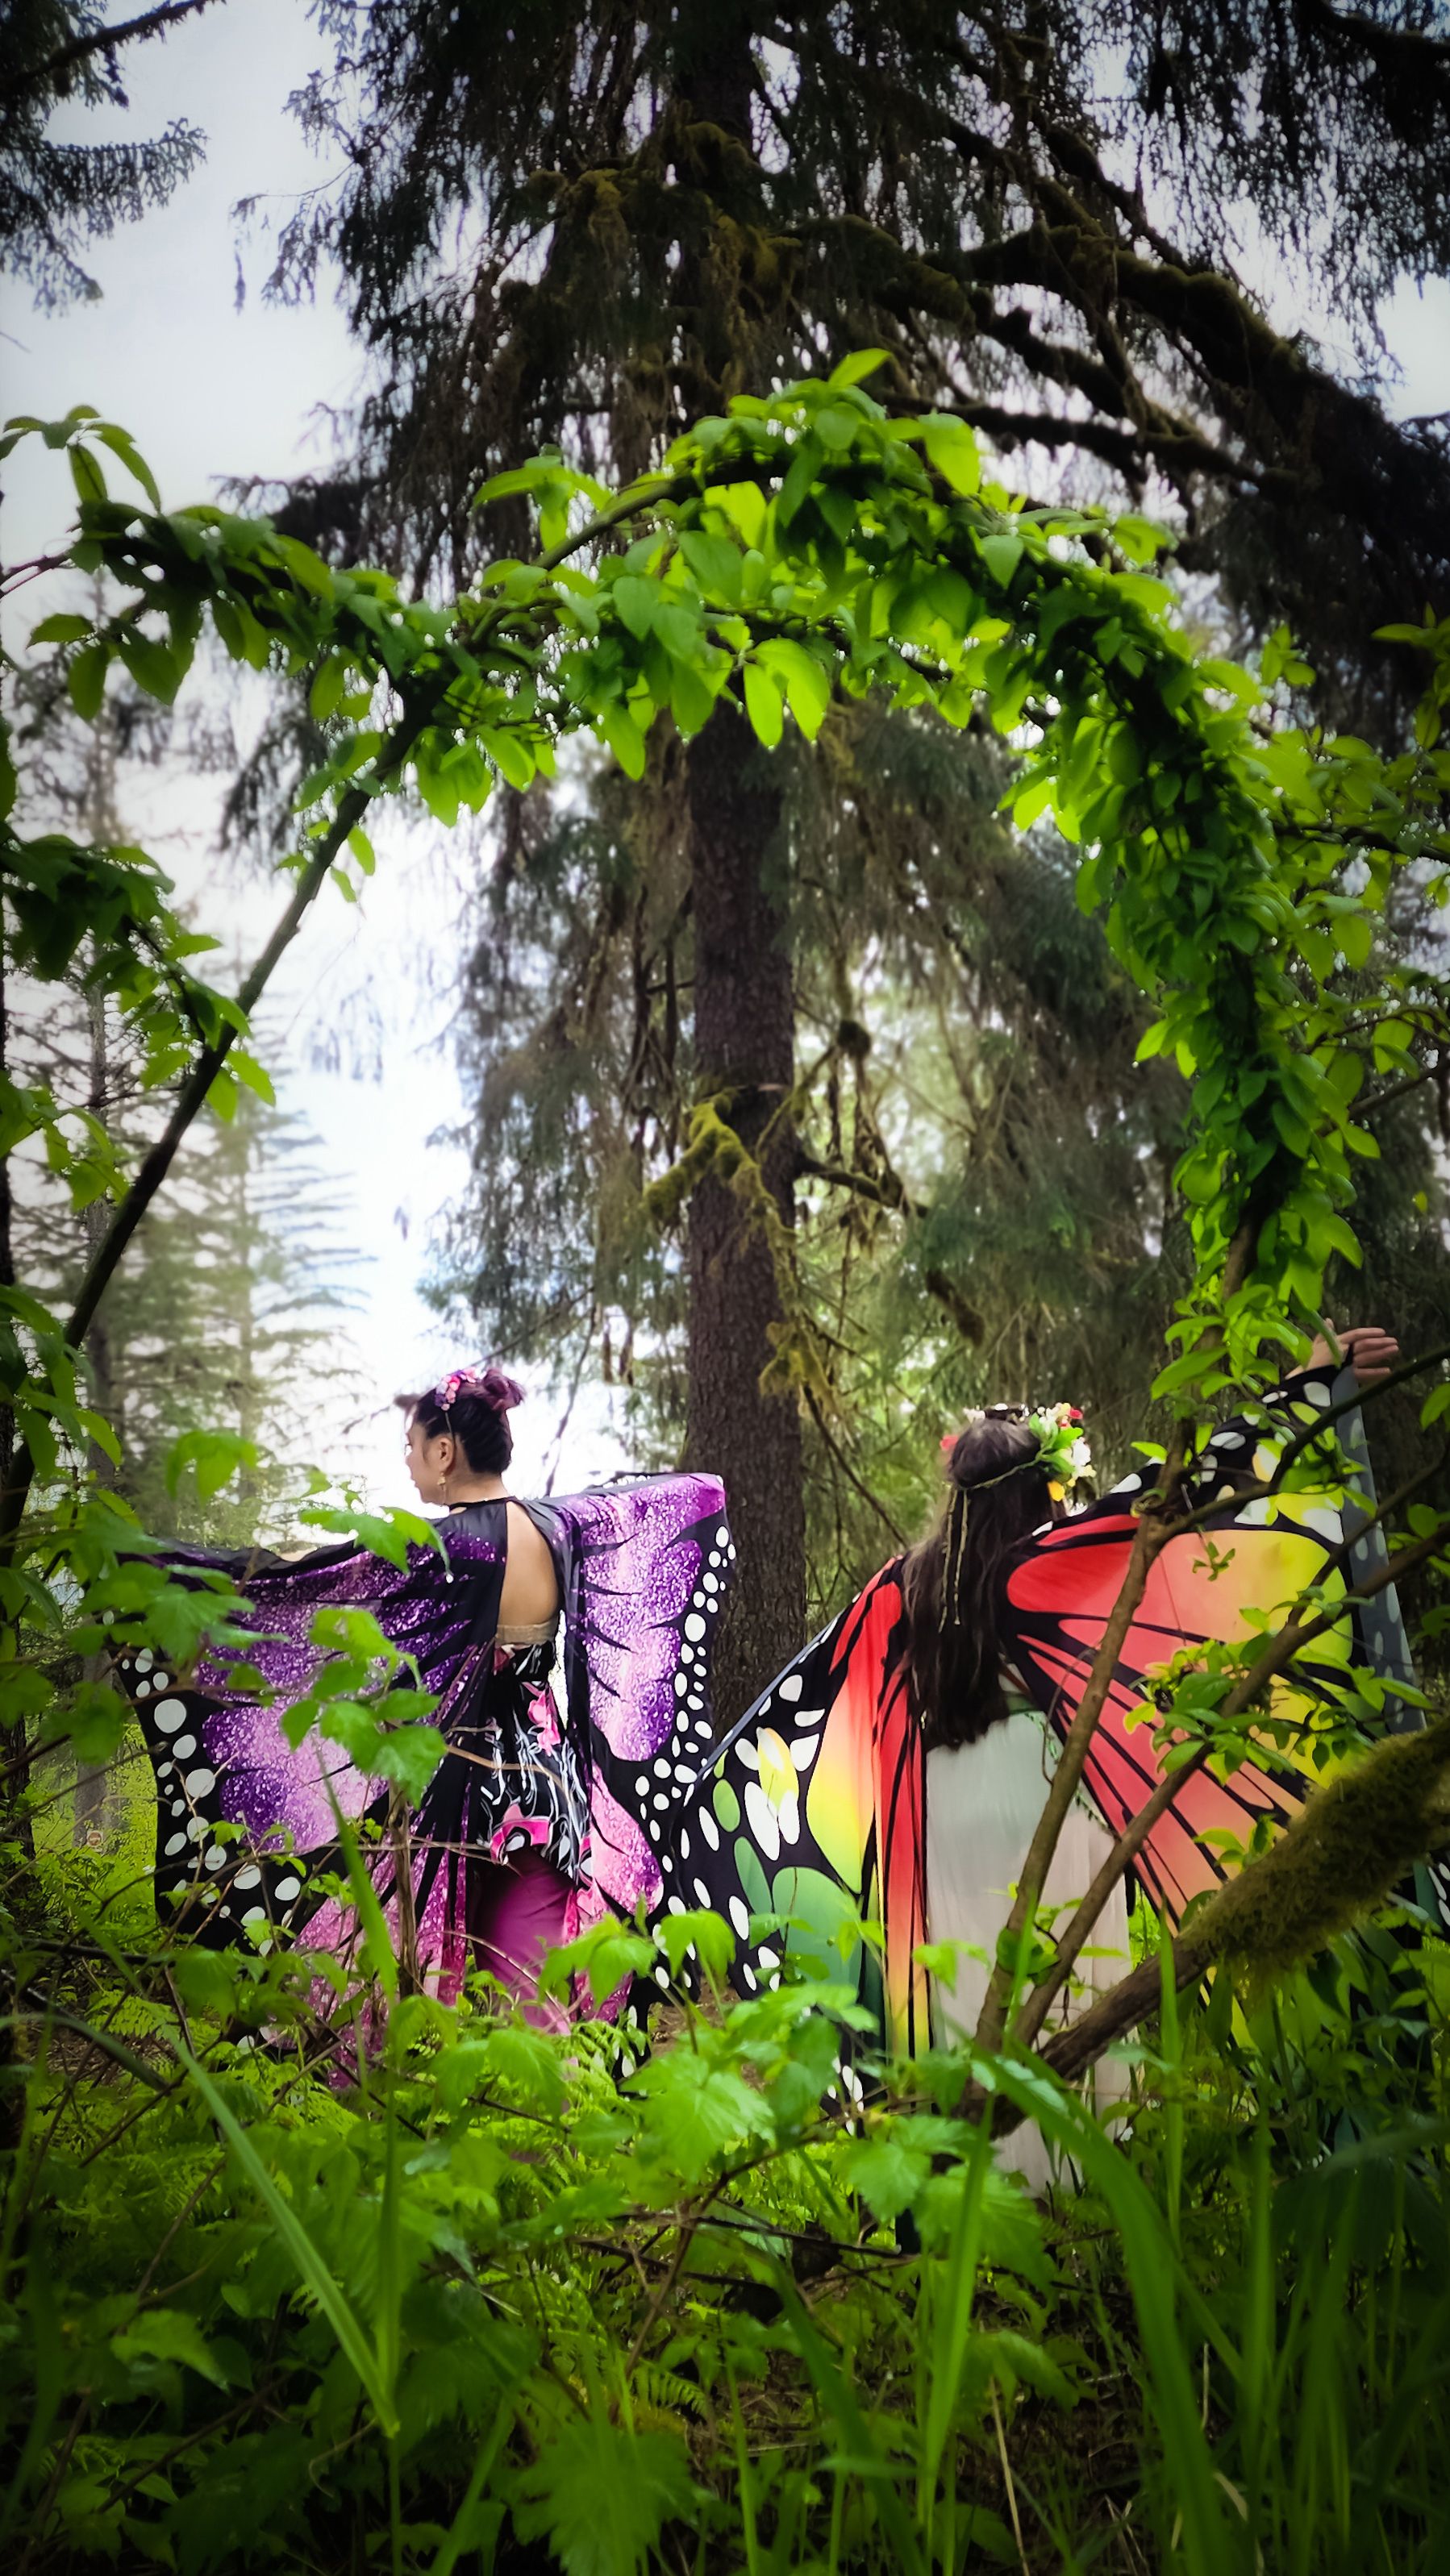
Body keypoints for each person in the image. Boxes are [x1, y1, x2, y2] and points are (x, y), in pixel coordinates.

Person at [665, 1325, 1409, 2181]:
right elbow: (1188, 1497)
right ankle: (1075, 2179)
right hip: (1044, 1796)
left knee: (962, 1986)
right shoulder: (1050, 1562)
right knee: (1064, 1974)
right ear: (1039, 1493)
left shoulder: (900, 1585)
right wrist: (1305, 1391)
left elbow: (811, 1689)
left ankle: (975, 2181)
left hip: (939, 1809)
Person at [119, 1364, 735, 2033]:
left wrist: (158, 1572)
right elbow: (684, 1498)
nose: (410, 1464)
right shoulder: (559, 1530)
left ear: (445, 1452)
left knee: (432, 2000)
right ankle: (537, 2125)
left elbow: (314, 1587)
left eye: (413, 1448)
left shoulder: (449, 1550)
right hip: (546, 1792)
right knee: (532, 2003)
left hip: (459, 1798)